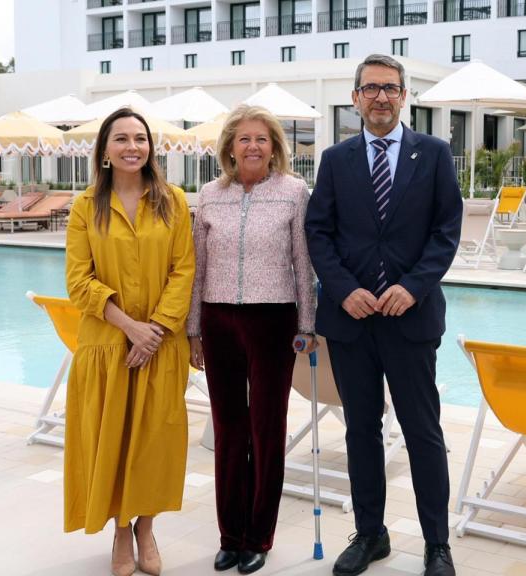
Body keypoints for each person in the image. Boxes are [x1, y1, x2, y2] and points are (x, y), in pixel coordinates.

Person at [304, 54, 463, 576]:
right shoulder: (335, 159)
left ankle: (437, 545)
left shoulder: (435, 154)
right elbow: (319, 233)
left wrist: (413, 288)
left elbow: (446, 232)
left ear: (403, 95)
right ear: (355, 98)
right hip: (351, 321)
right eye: (370, 88)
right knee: (360, 431)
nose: (380, 97)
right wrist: (344, 290)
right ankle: (371, 534)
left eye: (390, 88)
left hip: (409, 320)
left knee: (423, 432)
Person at [64, 107, 195, 576]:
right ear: (104, 150)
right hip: (108, 348)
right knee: (113, 441)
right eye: (121, 139)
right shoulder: (84, 207)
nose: (132, 146)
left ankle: (146, 526)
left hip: (162, 346)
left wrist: (154, 329)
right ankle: (121, 530)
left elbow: (184, 270)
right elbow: (79, 282)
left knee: (154, 442)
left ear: (150, 148)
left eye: (139, 138)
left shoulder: (174, 201)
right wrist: (130, 327)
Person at [188, 104, 317, 575]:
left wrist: (306, 325)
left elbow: (303, 263)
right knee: (228, 430)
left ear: (275, 147)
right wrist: (193, 329)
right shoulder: (209, 195)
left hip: (273, 320)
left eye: (262, 139)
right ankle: (230, 535)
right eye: (244, 138)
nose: (253, 146)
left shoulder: (293, 192)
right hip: (219, 318)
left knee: (266, 431)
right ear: (229, 147)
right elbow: (198, 266)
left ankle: (259, 536)